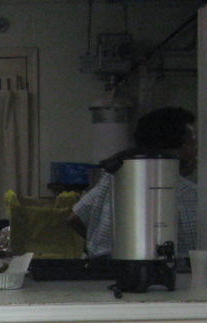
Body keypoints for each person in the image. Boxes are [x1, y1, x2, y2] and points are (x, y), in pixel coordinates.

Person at [68, 106, 198, 261]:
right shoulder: (191, 194)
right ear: (175, 150)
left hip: (101, 270)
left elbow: (74, 218)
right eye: (192, 144)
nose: (196, 151)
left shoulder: (115, 176)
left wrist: (97, 246)